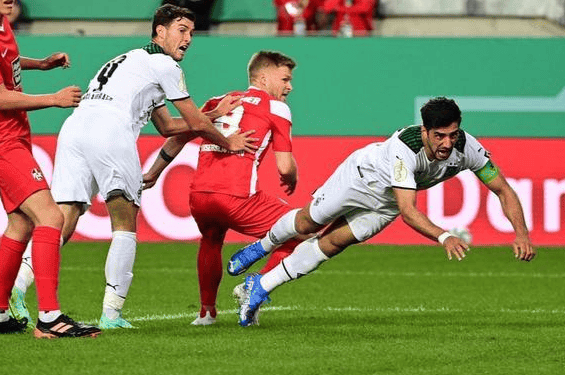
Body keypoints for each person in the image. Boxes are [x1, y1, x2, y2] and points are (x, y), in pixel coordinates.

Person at [8, 4, 255, 329]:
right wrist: (228, 141)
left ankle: (17, 287)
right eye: (182, 30)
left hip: (74, 129)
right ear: (160, 31)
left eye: (192, 33)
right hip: (111, 131)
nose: (188, 39)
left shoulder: (127, 60)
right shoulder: (165, 65)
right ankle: (111, 314)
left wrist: (211, 115)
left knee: (63, 216)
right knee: (124, 223)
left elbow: (167, 127)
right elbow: (194, 122)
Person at [227, 96, 536, 327]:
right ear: (425, 130)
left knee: (332, 244)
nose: (447, 143)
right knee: (308, 223)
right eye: (439, 135)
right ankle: (262, 246)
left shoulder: (468, 148)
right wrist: (444, 237)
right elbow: (409, 211)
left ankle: (260, 286)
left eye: (453, 134)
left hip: (386, 204)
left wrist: (521, 234)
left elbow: (503, 190)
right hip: (359, 179)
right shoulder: (406, 148)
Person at [0, 0, 100, 338]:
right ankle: (50, 318)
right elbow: (0, 98)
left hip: (12, 136)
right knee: (51, 217)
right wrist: (54, 98)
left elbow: (7, 59)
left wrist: (41, 64)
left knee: (20, 224)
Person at [142, 51, 303, 325]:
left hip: (200, 196)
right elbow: (285, 167)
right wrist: (292, 177)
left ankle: (206, 313)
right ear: (264, 78)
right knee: (304, 230)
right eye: (285, 79)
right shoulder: (276, 107)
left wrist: (154, 172)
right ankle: (258, 285)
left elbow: (178, 138)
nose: (290, 87)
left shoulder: (217, 101)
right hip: (237, 197)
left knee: (211, 240)